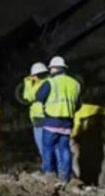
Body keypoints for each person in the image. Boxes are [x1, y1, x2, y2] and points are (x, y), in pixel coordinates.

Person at [34, 55, 82, 184]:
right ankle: (65, 178)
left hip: (51, 122)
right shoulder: (75, 83)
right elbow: (78, 105)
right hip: (67, 124)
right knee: (65, 150)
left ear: (54, 69)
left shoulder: (51, 82)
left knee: (47, 148)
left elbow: (38, 97)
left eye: (51, 69)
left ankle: (50, 176)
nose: (50, 71)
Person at [15, 62, 49, 170]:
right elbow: (26, 96)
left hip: (42, 119)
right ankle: (48, 170)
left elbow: (28, 96)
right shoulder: (47, 82)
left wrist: (28, 83)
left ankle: (49, 171)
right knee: (44, 149)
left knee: (44, 149)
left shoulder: (44, 84)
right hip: (39, 120)